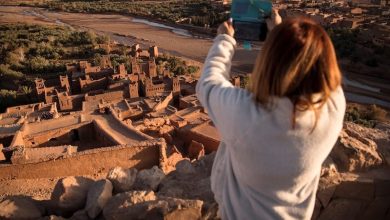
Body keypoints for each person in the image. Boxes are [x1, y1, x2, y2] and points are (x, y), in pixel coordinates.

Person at [196, 9, 346, 220]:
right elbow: (320, 73)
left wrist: (224, 39)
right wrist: (280, 33)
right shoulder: (333, 108)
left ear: (268, 63)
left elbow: (208, 84)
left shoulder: (249, 115)